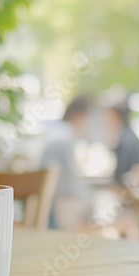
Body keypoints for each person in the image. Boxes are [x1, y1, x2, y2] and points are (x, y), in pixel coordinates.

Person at [40, 94, 93, 230]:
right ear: (79, 115)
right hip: (59, 202)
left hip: (48, 199)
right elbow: (70, 180)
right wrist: (89, 201)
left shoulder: (58, 132)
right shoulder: (66, 136)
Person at [104, 101, 139, 187]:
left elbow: (124, 174)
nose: (106, 121)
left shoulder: (126, 141)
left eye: (109, 117)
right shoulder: (126, 136)